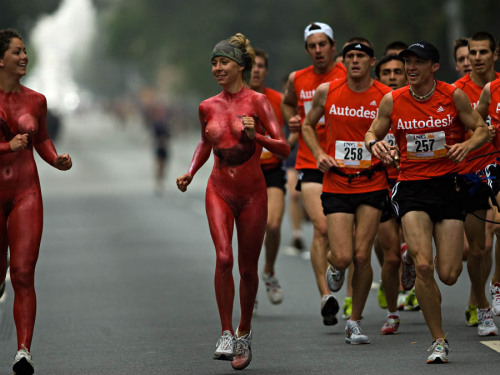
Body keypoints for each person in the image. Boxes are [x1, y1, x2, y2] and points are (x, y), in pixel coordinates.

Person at [365, 41, 489, 363]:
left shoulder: (453, 96)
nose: (411, 67)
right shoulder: (393, 100)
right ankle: (438, 340)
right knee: (424, 265)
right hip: (412, 188)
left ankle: (418, 264)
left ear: (434, 66)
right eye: (408, 61)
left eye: (418, 61)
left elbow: (481, 130)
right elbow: (372, 133)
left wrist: (467, 146)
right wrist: (376, 145)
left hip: (448, 186)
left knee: (448, 274)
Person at [176, 33, 289, 371]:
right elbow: (204, 143)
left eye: (223, 62)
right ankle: (225, 332)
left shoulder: (258, 102)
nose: (217, 68)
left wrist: (259, 137)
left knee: (247, 269)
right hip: (219, 189)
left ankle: (244, 332)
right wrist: (191, 172)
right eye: (213, 62)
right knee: (224, 258)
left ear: (240, 66)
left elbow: (283, 148)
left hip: (254, 193)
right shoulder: (206, 107)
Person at [302, 38, 391, 344]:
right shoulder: (328, 91)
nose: (355, 61)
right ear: (344, 60)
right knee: (342, 256)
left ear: (372, 62)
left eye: (361, 56)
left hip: (372, 181)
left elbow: (398, 129)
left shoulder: (385, 96)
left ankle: (355, 321)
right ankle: (335, 267)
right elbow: (307, 125)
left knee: (362, 256)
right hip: (337, 181)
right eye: (350, 56)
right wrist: (318, 154)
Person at [0, 29, 73, 375]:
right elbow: (13, 144)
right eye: (17, 52)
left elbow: (41, 139)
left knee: (24, 273)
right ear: (1, 60)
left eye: (25, 51)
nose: (24, 56)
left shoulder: (37, 100)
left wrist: (55, 159)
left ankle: (23, 352)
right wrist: (5, 147)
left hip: (26, 193)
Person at [282, 22, 346, 326]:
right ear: (307, 49)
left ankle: (338, 266)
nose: (318, 50)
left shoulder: (347, 74)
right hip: (310, 161)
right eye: (312, 46)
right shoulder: (298, 79)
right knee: (321, 228)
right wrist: (292, 120)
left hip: (345, 163)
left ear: (333, 47)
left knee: (343, 239)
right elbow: (287, 103)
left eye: (323, 44)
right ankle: (326, 296)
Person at [453, 31, 499, 335]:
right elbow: (467, 129)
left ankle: (497, 286)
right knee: (478, 249)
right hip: (469, 172)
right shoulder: (456, 92)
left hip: (496, 167)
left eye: (484, 52)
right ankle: (482, 307)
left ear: (495, 55)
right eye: (474, 53)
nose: (478, 58)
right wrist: (478, 135)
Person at [373, 54, 415, 328]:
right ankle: (392, 312)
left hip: (413, 181)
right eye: (385, 72)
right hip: (381, 183)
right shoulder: (375, 105)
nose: (391, 76)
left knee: (414, 247)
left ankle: (410, 258)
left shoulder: (415, 103)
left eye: (396, 71)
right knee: (388, 255)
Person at [249, 48, 285, 307]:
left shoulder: (277, 100)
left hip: (272, 172)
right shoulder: (236, 99)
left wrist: (288, 143)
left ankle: (269, 272)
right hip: (245, 174)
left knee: (272, 226)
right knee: (250, 233)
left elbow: (285, 137)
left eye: (261, 65)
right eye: (252, 65)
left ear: (266, 70)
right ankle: (249, 282)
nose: (256, 69)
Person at [477, 74, 500, 317]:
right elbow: (474, 120)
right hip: (497, 164)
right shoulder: (491, 89)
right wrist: (485, 130)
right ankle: (497, 284)